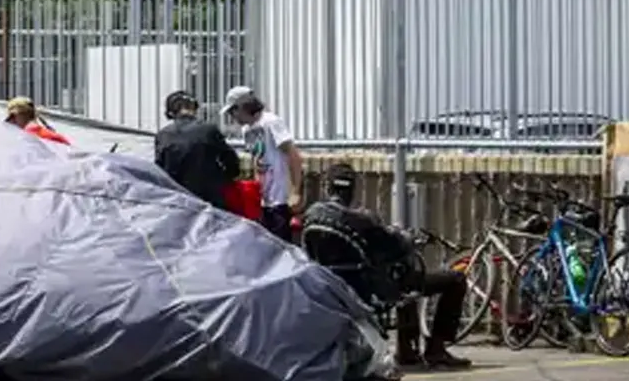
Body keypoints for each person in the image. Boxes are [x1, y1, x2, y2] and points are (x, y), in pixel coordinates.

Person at [304, 164, 470, 371]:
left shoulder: (311, 216)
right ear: (353, 189)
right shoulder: (363, 220)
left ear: (327, 187)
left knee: (403, 279)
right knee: (453, 279)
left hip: (327, 288)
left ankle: (409, 351)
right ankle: (435, 349)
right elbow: (396, 247)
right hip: (371, 290)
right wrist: (407, 236)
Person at [222, 84, 303, 240]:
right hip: (262, 199)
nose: (232, 116)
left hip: (280, 198)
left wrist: (295, 192)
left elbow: (293, 155)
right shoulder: (247, 130)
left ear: (242, 106)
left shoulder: (271, 122)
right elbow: (257, 158)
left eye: (233, 111)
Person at [153, 90, 240, 210]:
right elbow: (231, 162)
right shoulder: (209, 129)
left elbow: (159, 171)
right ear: (194, 109)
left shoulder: (162, 135)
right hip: (209, 200)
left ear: (170, 113)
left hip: (177, 201)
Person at [4, 96, 69, 144]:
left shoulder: (29, 132)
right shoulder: (38, 129)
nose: (10, 121)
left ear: (23, 115)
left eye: (12, 116)